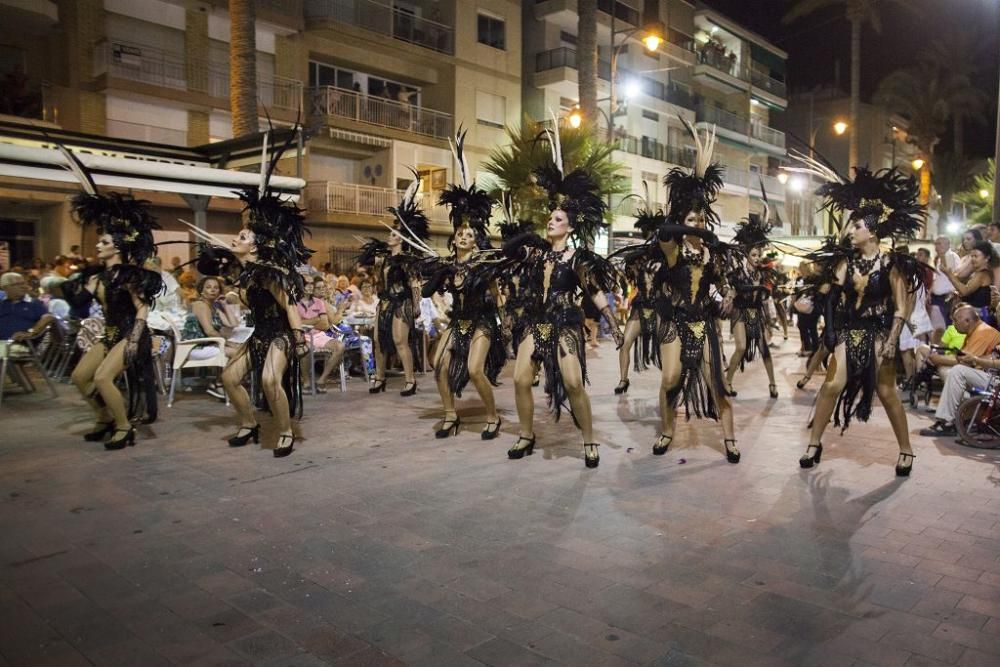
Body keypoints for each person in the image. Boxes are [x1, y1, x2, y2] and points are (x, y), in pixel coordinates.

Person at [503, 124, 623, 468]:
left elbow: (595, 292)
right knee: (520, 378)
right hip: (536, 324)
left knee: (573, 383)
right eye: (550, 218)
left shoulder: (576, 258)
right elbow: (508, 249)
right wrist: (528, 233)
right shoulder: (536, 253)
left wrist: (613, 323)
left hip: (566, 325)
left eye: (558, 219)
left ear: (570, 227)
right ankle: (526, 435)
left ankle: (588, 439)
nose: (551, 222)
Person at [796, 164, 927, 477]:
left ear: (871, 230)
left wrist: (892, 342)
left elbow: (900, 307)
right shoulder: (846, 260)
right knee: (832, 385)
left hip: (880, 332)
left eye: (856, 226)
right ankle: (814, 443)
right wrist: (812, 303)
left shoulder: (890, 263)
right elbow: (828, 293)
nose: (851, 231)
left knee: (887, 392)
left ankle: (906, 449)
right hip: (849, 330)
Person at [203, 133, 313, 457]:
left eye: (242, 235)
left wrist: (299, 338)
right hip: (259, 335)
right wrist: (236, 297)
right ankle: (249, 423)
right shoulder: (243, 274)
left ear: (254, 244)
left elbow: (288, 304)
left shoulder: (267, 271)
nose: (235, 238)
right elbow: (245, 304)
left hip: (280, 335)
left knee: (268, 381)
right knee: (228, 377)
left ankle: (285, 431)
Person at [651, 120, 740, 462]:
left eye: (702, 221)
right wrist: (692, 228)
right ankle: (667, 430)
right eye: (692, 221)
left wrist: (728, 294)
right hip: (673, 322)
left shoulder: (711, 254)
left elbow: (720, 282)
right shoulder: (673, 250)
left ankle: (730, 438)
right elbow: (663, 230)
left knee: (716, 383)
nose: (698, 226)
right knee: (671, 377)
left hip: (704, 324)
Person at [59, 165, 164, 450]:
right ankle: (104, 416)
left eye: (104, 242)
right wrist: (72, 285)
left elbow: (142, 309)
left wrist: (133, 339)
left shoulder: (129, 275)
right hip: (109, 334)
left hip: (132, 334)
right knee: (80, 377)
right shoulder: (96, 277)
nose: (98, 245)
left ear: (117, 248)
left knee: (103, 377)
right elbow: (78, 305)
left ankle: (123, 427)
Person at [423, 142, 506, 439]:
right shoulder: (447, 264)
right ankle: (450, 415)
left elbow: (496, 294)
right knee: (438, 365)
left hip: (482, 322)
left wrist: (503, 320)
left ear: (475, 240)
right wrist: (438, 280)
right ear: (455, 237)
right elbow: (426, 290)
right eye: (460, 233)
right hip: (458, 321)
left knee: (474, 369)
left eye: (469, 235)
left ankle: (493, 416)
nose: (463, 237)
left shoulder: (485, 264)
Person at [358, 174, 425, 396]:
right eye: (389, 233)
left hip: (401, 303)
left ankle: (410, 380)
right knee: (378, 340)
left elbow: (415, 284)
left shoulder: (407, 261)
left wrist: (416, 306)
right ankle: (379, 378)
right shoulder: (383, 258)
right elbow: (364, 263)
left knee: (399, 340)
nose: (389, 236)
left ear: (401, 239)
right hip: (384, 302)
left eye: (393, 234)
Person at [610, 192, 667, 395]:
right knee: (625, 343)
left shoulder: (667, 259)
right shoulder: (638, 258)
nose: (652, 238)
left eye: (656, 234)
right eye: (649, 233)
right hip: (640, 306)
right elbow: (629, 276)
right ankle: (623, 379)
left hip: (660, 307)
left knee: (666, 346)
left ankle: (671, 380)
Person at [919, 304, 1000, 436]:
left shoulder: (983, 331)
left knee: (957, 371)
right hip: (989, 375)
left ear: (968, 321)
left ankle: (947, 422)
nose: (953, 323)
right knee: (953, 371)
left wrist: (937, 359)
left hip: (994, 379)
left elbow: (967, 361)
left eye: (956, 320)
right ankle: (957, 417)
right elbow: (967, 359)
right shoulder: (975, 331)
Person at [725, 213, 779, 399]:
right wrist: (759, 287)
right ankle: (728, 381)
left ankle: (772, 384)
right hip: (740, 312)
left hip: (757, 314)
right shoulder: (737, 272)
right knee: (740, 347)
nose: (757, 258)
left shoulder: (764, 274)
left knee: (765, 350)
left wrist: (770, 316)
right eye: (754, 255)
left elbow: (766, 297)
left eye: (759, 255)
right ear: (747, 255)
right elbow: (739, 288)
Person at [181, 275, 240, 399]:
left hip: (207, 344)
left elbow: (233, 324)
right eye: (208, 287)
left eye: (216, 288)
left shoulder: (214, 306)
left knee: (240, 350)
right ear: (201, 290)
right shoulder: (201, 305)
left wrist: (224, 304)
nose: (213, 290)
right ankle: (221, 384)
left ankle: (220, 383)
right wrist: (228, 343)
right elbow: (210, 331)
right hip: (195, 347)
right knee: (237, 352)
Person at [296, 277, 347, 393]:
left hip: (319, 335)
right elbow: (294, 323)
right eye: (306, 284)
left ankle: (322, 379)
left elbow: (324, 325)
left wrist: (303, 320)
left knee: (340, 346)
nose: (309, 286)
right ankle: (306, 381)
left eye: (311, 284)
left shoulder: (319, 302)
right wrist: (315, 320)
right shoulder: (295, 303)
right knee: (305, 348)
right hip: (303, 336)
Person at [942, 240, 998, 325]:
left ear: (987, 258)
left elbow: (965, 291)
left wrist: (950, 275)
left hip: (979, 318)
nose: (973, 259)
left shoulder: (983, 274)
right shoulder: (979, 273)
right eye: (971, 256)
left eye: (976, 256)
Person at [0, 272, 53, 342]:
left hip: (22, 344)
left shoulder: (33, 303)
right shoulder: (2, 304)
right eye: (17, 284)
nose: (23, 286)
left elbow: (48, 317)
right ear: (5, 288)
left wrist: (30, 332)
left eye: (23, 283)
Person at [929, 235, 960, 344]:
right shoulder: (941, 257)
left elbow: (950, 273)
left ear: (948, 244)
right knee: (937, 328)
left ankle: (941, 353)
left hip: (946, 299)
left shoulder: (951, 256)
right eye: (935, 244)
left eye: (939, 243)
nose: (936, 246)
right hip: (937, 298)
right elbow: (937, 279)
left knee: (941, 329)